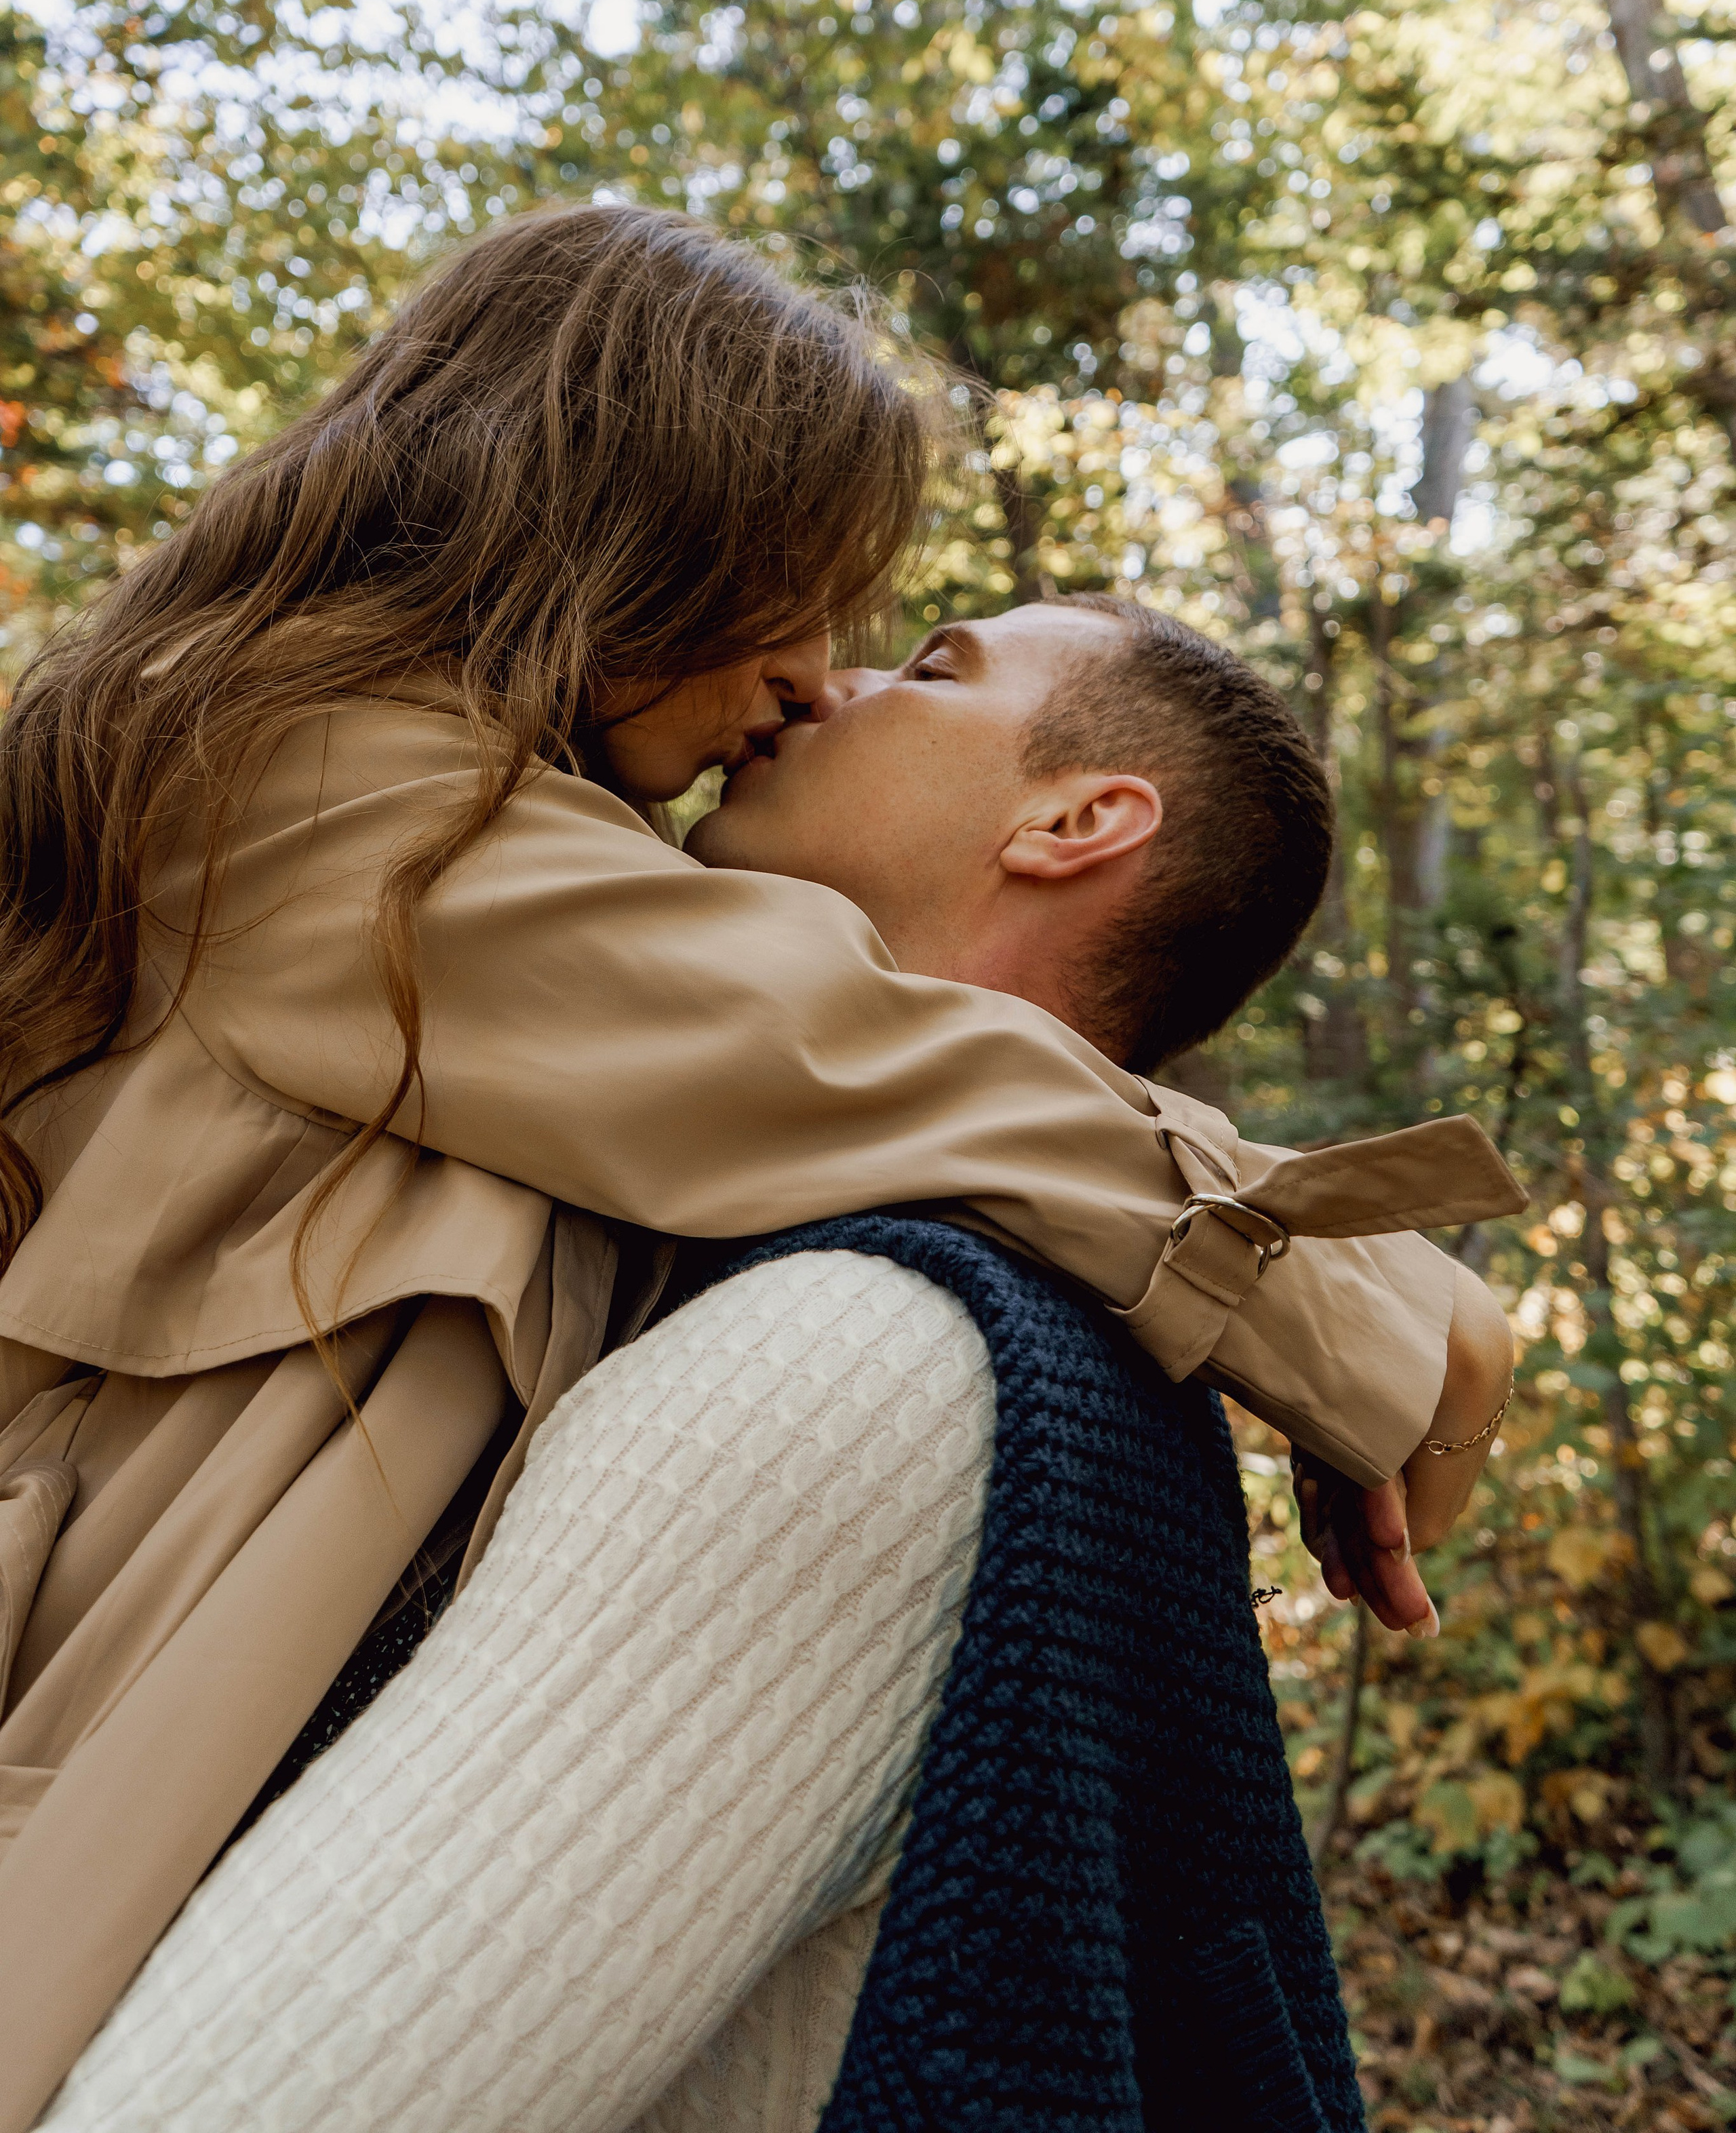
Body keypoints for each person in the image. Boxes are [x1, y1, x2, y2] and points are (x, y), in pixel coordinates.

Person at [0, 202, 1515, 2126]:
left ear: (1088, 816)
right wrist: (1378, 1309)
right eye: (793, 595)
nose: (818, 678)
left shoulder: (847, 1245)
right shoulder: (306, 789)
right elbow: (828, 1041)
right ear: (635, 541)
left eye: (906, 648)